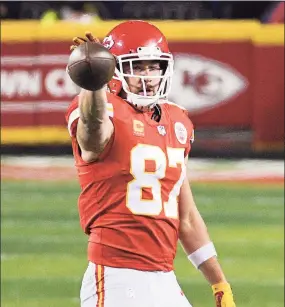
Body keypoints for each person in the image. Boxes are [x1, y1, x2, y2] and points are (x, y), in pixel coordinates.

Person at [65, 20, 236, 307]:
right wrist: (92, 85)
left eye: (153, 66)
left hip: (164, 278)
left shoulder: (178, 121)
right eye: (138, 67)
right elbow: (93, 136)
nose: (148, 76)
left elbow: (187, 216)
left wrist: (219, 282)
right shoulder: (104, 109)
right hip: (117, 277)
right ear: (114, 70)